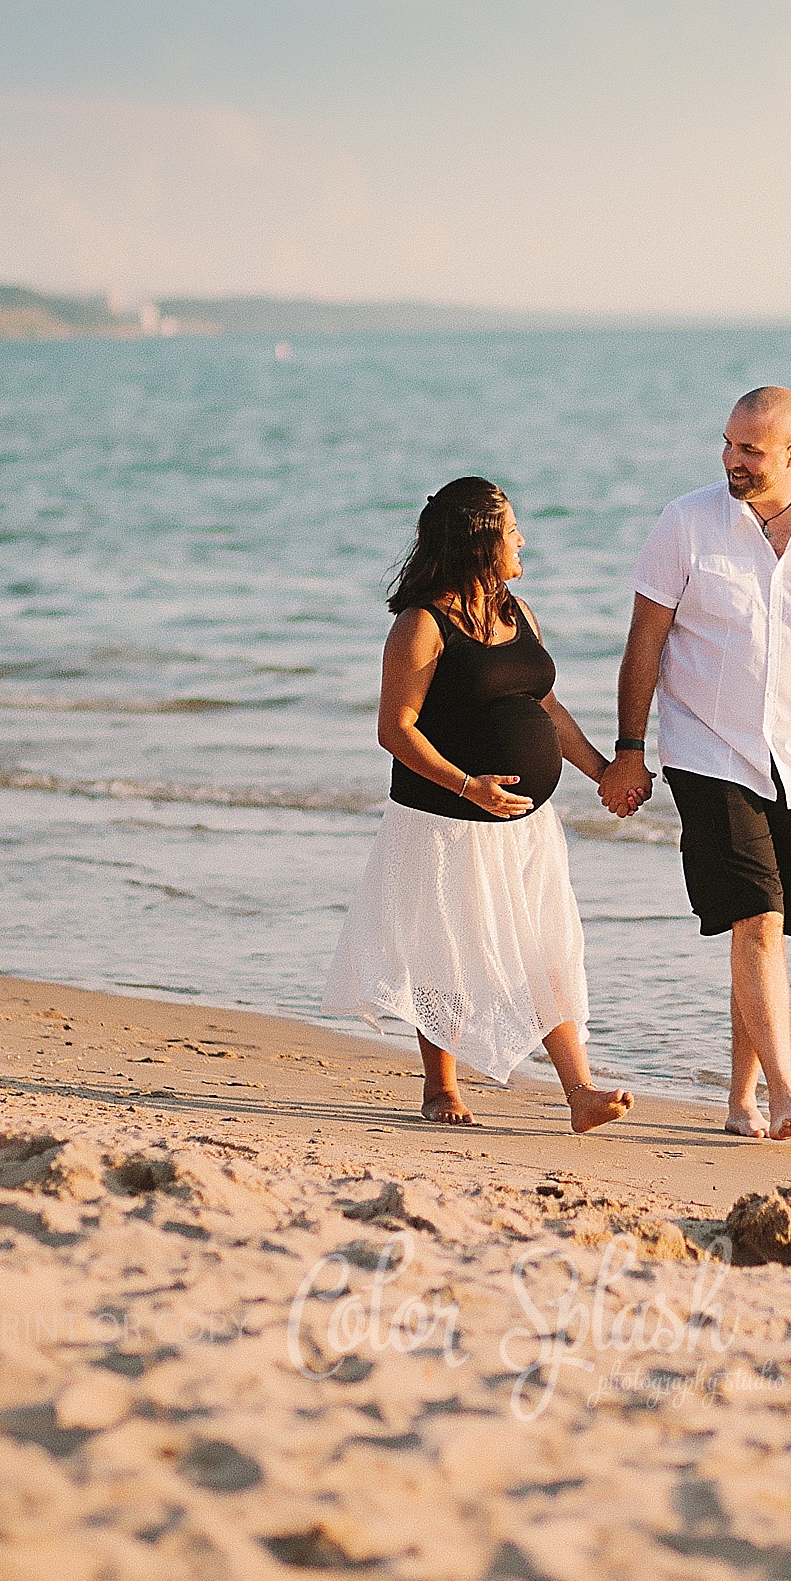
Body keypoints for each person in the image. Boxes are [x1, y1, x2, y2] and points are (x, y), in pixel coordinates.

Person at [599, 388, 791, 1141]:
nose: (732, 460)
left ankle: (739, 1100)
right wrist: (630, 749)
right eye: (728, 444)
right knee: (757, 918)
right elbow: (645, 640)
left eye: (751, 451)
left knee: (757, 928)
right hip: (707, 751)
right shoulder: (686, 523)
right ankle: (784, 1093)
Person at [325, 476, 634, 1135]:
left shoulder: (517, 611)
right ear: (481, 541)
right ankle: (440, 1087)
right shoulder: (421, 624)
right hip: (444, 820)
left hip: (525, 826)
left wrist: (602, 770)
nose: (523, 539)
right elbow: (396, 727)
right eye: (513, 529)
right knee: (446, 956)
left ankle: (580, 1091)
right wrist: (468, 785)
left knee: (547, 947)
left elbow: (544, 707)